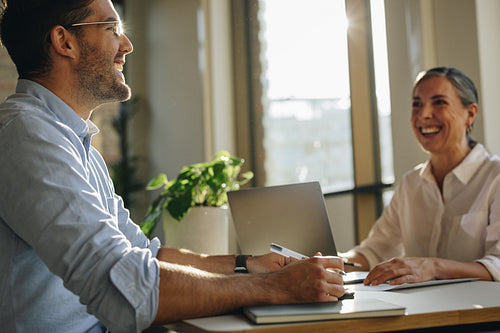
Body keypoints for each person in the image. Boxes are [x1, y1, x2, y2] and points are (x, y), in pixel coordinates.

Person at [0, 1, 345, 332]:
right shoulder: (26, 135)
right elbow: (127, 287)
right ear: (64, 41)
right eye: (112, 28)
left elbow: (144, 254)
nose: (127, 45)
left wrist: (247, 266)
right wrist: (276, 287)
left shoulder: (74, 141)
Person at [343, 66, 500, 286]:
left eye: (439, 102)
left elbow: (498, 264)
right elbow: (374, 251)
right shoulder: (410, 183)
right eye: (417, 104)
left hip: (482, 316)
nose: (424, 115)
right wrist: (333, 263)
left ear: (470, 114)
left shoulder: (495, 177)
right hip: (421, 314)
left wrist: (433, 267)